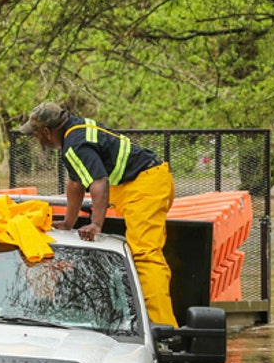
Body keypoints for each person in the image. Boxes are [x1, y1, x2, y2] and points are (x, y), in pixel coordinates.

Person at [19, 102, 178, 326]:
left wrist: (96, 224)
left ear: (46, 132)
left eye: (35, 134)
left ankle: (164, 328)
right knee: (144, 253)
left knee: (145, 256)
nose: (36, 139)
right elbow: (75, 183)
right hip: (143, 182)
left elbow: (99, 181)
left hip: (144, 186)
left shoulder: (75, 145)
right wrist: (68, 222)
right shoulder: (75, 133)